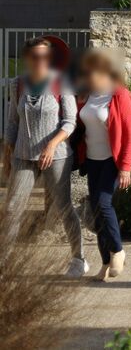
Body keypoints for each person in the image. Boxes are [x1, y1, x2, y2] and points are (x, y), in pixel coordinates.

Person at [2, 36, 85, 277]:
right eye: (35, 56)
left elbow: (70, 122)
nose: (41, 61)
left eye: (45, 57)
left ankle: (78, 258)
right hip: (23, 155)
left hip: (56, 154)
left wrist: (50, 146)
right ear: (28, 59)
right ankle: (5, 264)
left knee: (63, 206)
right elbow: (12, 123)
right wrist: (8, 154)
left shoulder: (62, 83)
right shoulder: (18, 84)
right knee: (13, 208)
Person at [76, 48, 131, 282]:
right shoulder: (87, 95)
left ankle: (119, 251)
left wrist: (125, 167)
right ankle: (104, 264)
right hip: (92, 160)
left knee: (103, 204)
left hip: (112, 161)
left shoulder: (119, 95)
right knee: (96, 212)